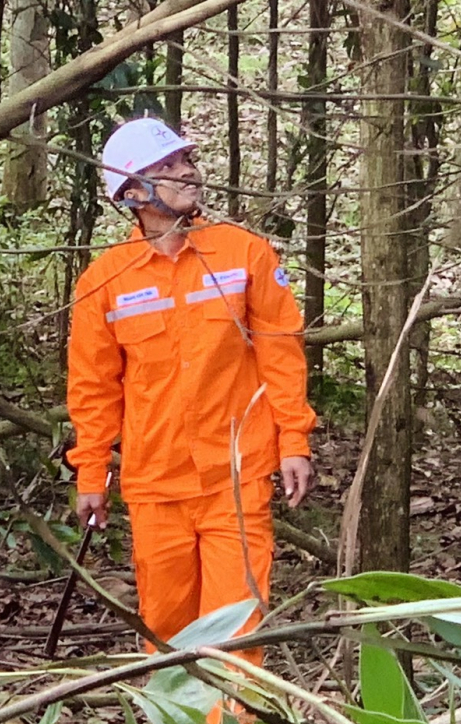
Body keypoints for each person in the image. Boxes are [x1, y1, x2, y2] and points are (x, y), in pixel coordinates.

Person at [66, 117, 315, 668]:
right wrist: (90, 472)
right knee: (167, 633)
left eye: (186, 161)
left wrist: (293, 440)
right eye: (167, 167)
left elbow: (282, 353)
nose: (187, 172)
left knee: (237, 633)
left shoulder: (244, 254)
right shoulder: (106, 280)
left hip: (237, 477)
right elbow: (92, 387)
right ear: (131, 192)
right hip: (155, 486)